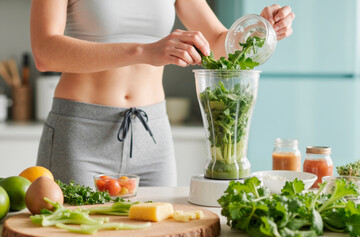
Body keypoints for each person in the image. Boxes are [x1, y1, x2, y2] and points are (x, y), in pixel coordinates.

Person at [31, 0, 295, 188]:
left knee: (161, 230)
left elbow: (216, 44)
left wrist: (260, 30)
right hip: (81, 134)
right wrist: (145, 51)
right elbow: (45, 52)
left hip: (152, 136)